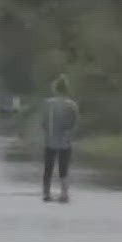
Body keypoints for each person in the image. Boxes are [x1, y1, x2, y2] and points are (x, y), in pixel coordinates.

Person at [42, 76, 79, 204]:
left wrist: (48, 131)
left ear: (55, 88)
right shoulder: (72, 105)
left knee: (48, 168)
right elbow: (74, 123)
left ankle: (46, 193)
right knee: (64, 168)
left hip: (50, 140)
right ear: (67, 89)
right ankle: (64, 194)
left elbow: (44, 123)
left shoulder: (48, 104)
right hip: (65, 141)